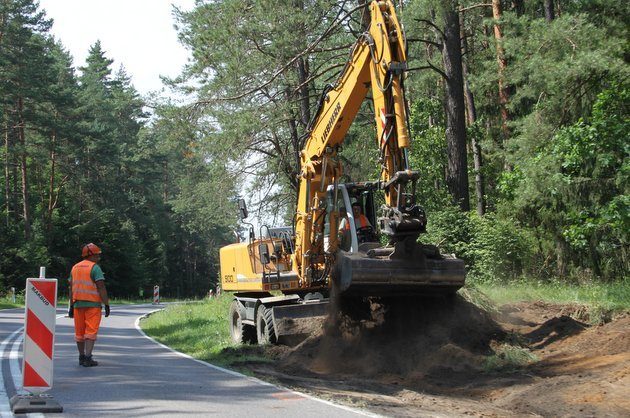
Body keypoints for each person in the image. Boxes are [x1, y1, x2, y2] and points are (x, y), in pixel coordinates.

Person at [68, 243, 110, 367]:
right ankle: (88, 357)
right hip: (93, 305)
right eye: (97, 255)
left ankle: (81, 357)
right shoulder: (95, 268)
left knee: (79, 333)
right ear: (91, 255)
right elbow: (101, 286)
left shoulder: (74, 268)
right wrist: (106, 304)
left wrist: (71, 305)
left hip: (77, 305)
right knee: (91, 332)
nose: (98, 258)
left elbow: (71, 288)